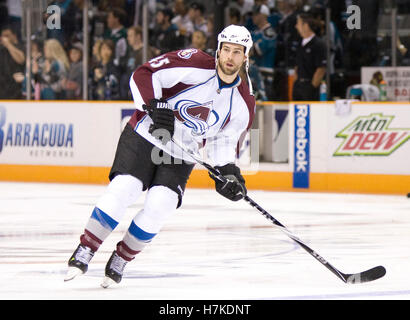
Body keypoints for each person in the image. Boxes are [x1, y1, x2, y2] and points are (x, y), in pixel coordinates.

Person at [64, 24, 256, 288]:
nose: (230, 57)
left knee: (160, 206)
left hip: (180, 153)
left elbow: (224, 140)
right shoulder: (196, 63)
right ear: (218, 50)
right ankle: (87, 248)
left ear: (246, 56)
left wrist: (228, 171)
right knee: (125, 188)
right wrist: (154, 106)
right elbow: (144, 74)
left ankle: (121, 258)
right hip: (144, 135)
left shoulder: (244, 100)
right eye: (226, 50)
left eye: (237, 52)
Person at [292, 12, 326, 101]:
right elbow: (296, 65)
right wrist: (296, 82)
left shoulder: (318, 44)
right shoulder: (299, 43)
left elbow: (321, 69)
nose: (296, 26)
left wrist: (312, 87)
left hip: (310, 87)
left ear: (305, 25)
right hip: (298, 86)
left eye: (298, 23)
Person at [120, 26, 155, 99]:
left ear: (138, 36)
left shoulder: (145, 52)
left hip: (141, 91)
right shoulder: (130, 52)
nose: (128, 38)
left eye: (130, 36)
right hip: (131, 89)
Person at [250, 4, 277, 101]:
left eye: (256, 14)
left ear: (264, 15)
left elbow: (255, 51)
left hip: (264, 76)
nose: (253, 17)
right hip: (253, 75)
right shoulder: (255, 32)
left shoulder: (269, 33)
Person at [0, 26, 25, 99]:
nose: (4, 38)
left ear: (14, 36)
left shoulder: (21, 47)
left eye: (7, 36)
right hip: (3, 90)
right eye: (3, 36)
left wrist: (8, 44)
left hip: (17, 92)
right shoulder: (1, 50)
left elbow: (21, 60)